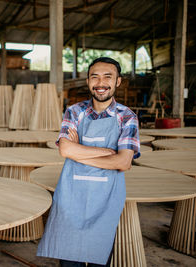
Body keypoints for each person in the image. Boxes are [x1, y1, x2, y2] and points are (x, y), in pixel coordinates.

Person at [37, 57, 140, 267]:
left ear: (118, 81)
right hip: (71, 196)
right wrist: (107, 152)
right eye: (95, 77)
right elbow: (65, 149)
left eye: (107, 77)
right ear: (88, 81)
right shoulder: (74, 112)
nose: (100, 83)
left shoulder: (127, 117)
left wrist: (79, 152)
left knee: (98, 259)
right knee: (69, 260)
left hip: (106, 199)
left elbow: (123, 162)